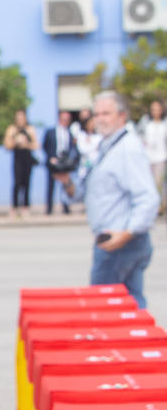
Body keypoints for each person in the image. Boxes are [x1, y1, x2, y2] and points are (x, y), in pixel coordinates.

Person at [60, 91, 160, 307]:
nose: (100, 119)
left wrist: (127, 233)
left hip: (119, 242)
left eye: (106, 113)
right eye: (96, 114)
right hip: (116, 240)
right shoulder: (107, 145)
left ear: (122, 116)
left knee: (104, 309)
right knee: (130, 305)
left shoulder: (128, 148)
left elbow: (148, 198)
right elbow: (90, 190)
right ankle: (137, 341)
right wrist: (66, 181)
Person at [43, 110, 80, 215]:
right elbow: (45, 145)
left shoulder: (70, 132)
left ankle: (66, 207)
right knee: (50, 185)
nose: (66, 121)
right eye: (64, 119)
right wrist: (51, 157)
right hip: (53, 161)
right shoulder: (50, 131)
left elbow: (72, 147)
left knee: (66, 183)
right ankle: (49, 209)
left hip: (65, 161)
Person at [3, 109, 38, 218]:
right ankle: (14, 207)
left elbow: (36, 145)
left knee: (27, 183)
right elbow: (7, 145)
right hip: (17, 159)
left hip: (27, 159)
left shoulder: (30, 129)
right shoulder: (12, 129)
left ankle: (25, 207)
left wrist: (25, 143)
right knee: (17, 183)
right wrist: (16, 141)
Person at [138, 99, 166, 209]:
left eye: (157, 109)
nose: (155, 111)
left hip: (161, 157)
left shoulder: (165, 123)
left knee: (158, 182)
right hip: (147, 157)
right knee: (148, 183)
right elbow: (138, 133)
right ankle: (150, 206)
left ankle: (160, 206)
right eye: (153, 109)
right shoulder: (145, 121)